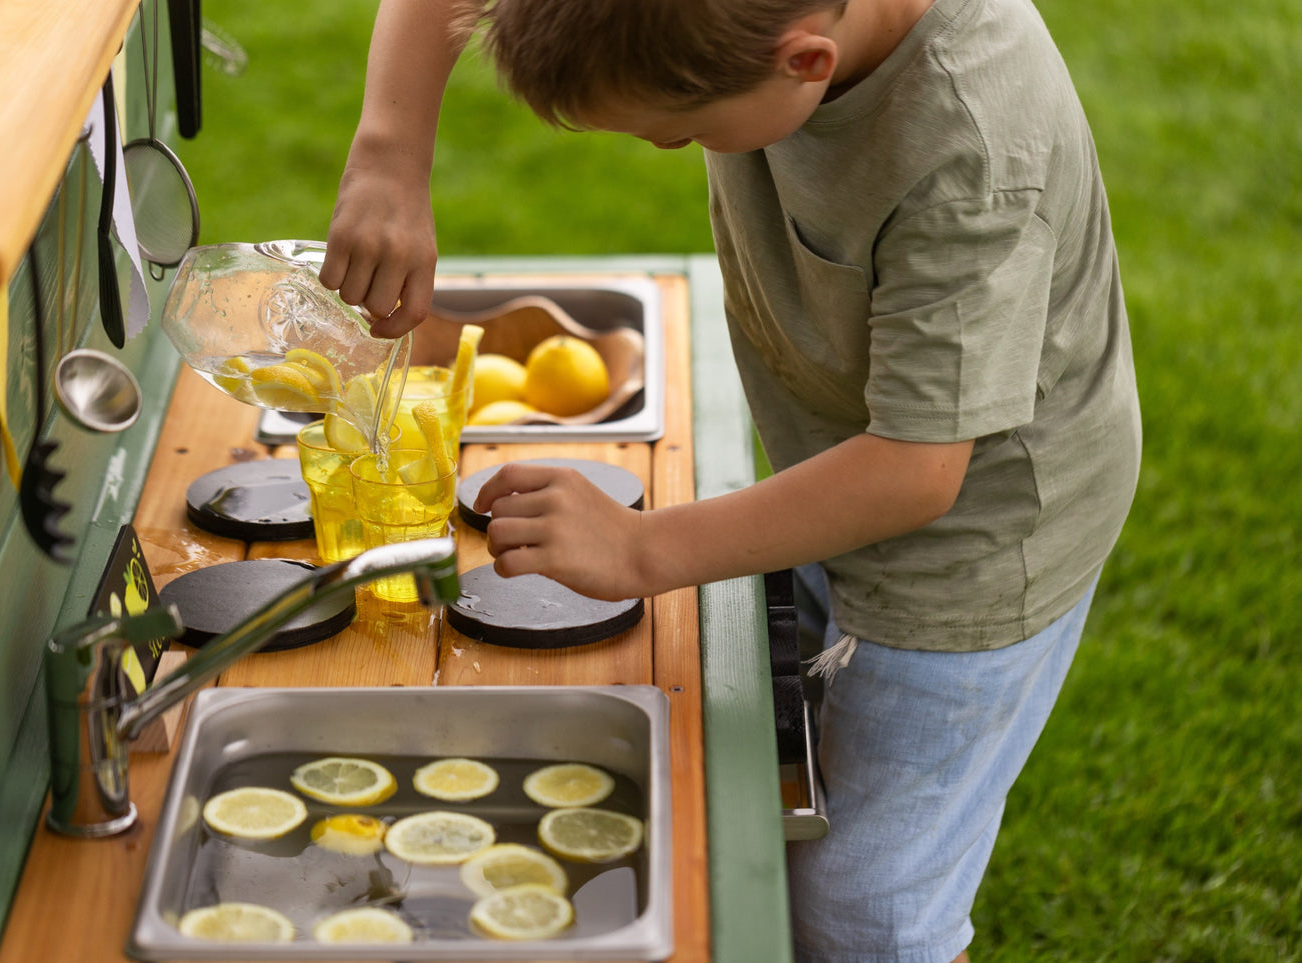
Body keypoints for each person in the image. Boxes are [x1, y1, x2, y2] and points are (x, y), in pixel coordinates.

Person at [320, 0, 1142, 959]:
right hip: (843, 460)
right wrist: (388, 153)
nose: (667, 147)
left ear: (806, 60)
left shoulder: (967, 147)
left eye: (681, 130)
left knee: (862, 911)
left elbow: (916, 472)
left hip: (974, 551)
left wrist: (641, 546)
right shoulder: (771, 40)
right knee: (800, 780)